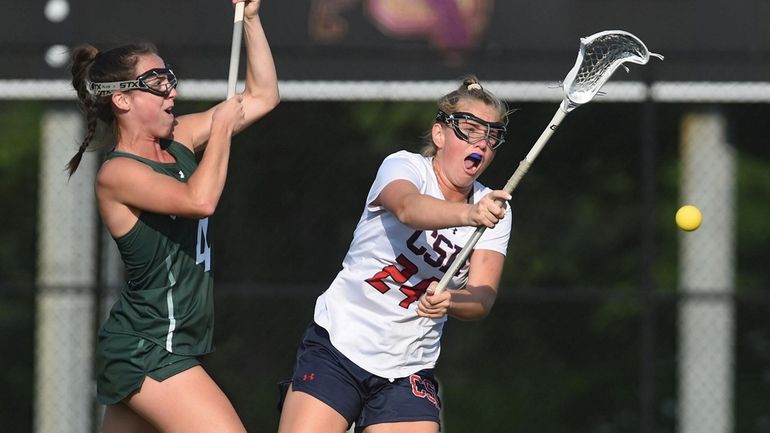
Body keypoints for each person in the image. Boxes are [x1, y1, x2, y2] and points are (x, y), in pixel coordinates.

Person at [67, 1, 278, 432]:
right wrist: (220, 130)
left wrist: (252, 20)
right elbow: (199, 200)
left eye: (170, 80)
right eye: (156, 82)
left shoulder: (179, 137)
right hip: (148, 348)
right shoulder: (119, 172)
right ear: (122, 99)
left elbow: (262, 96)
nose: (172, 92)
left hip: (166, 343)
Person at [277, 76, 513, 433]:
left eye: (491, 136)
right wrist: (469, 214)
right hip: (340, 345)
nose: (481, 143)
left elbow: (482, 297)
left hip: (407, 369)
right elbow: (406, 207)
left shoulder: (495, 210)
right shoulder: (405, 167)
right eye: (469, 129)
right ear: (439, 134)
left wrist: (449, 300)